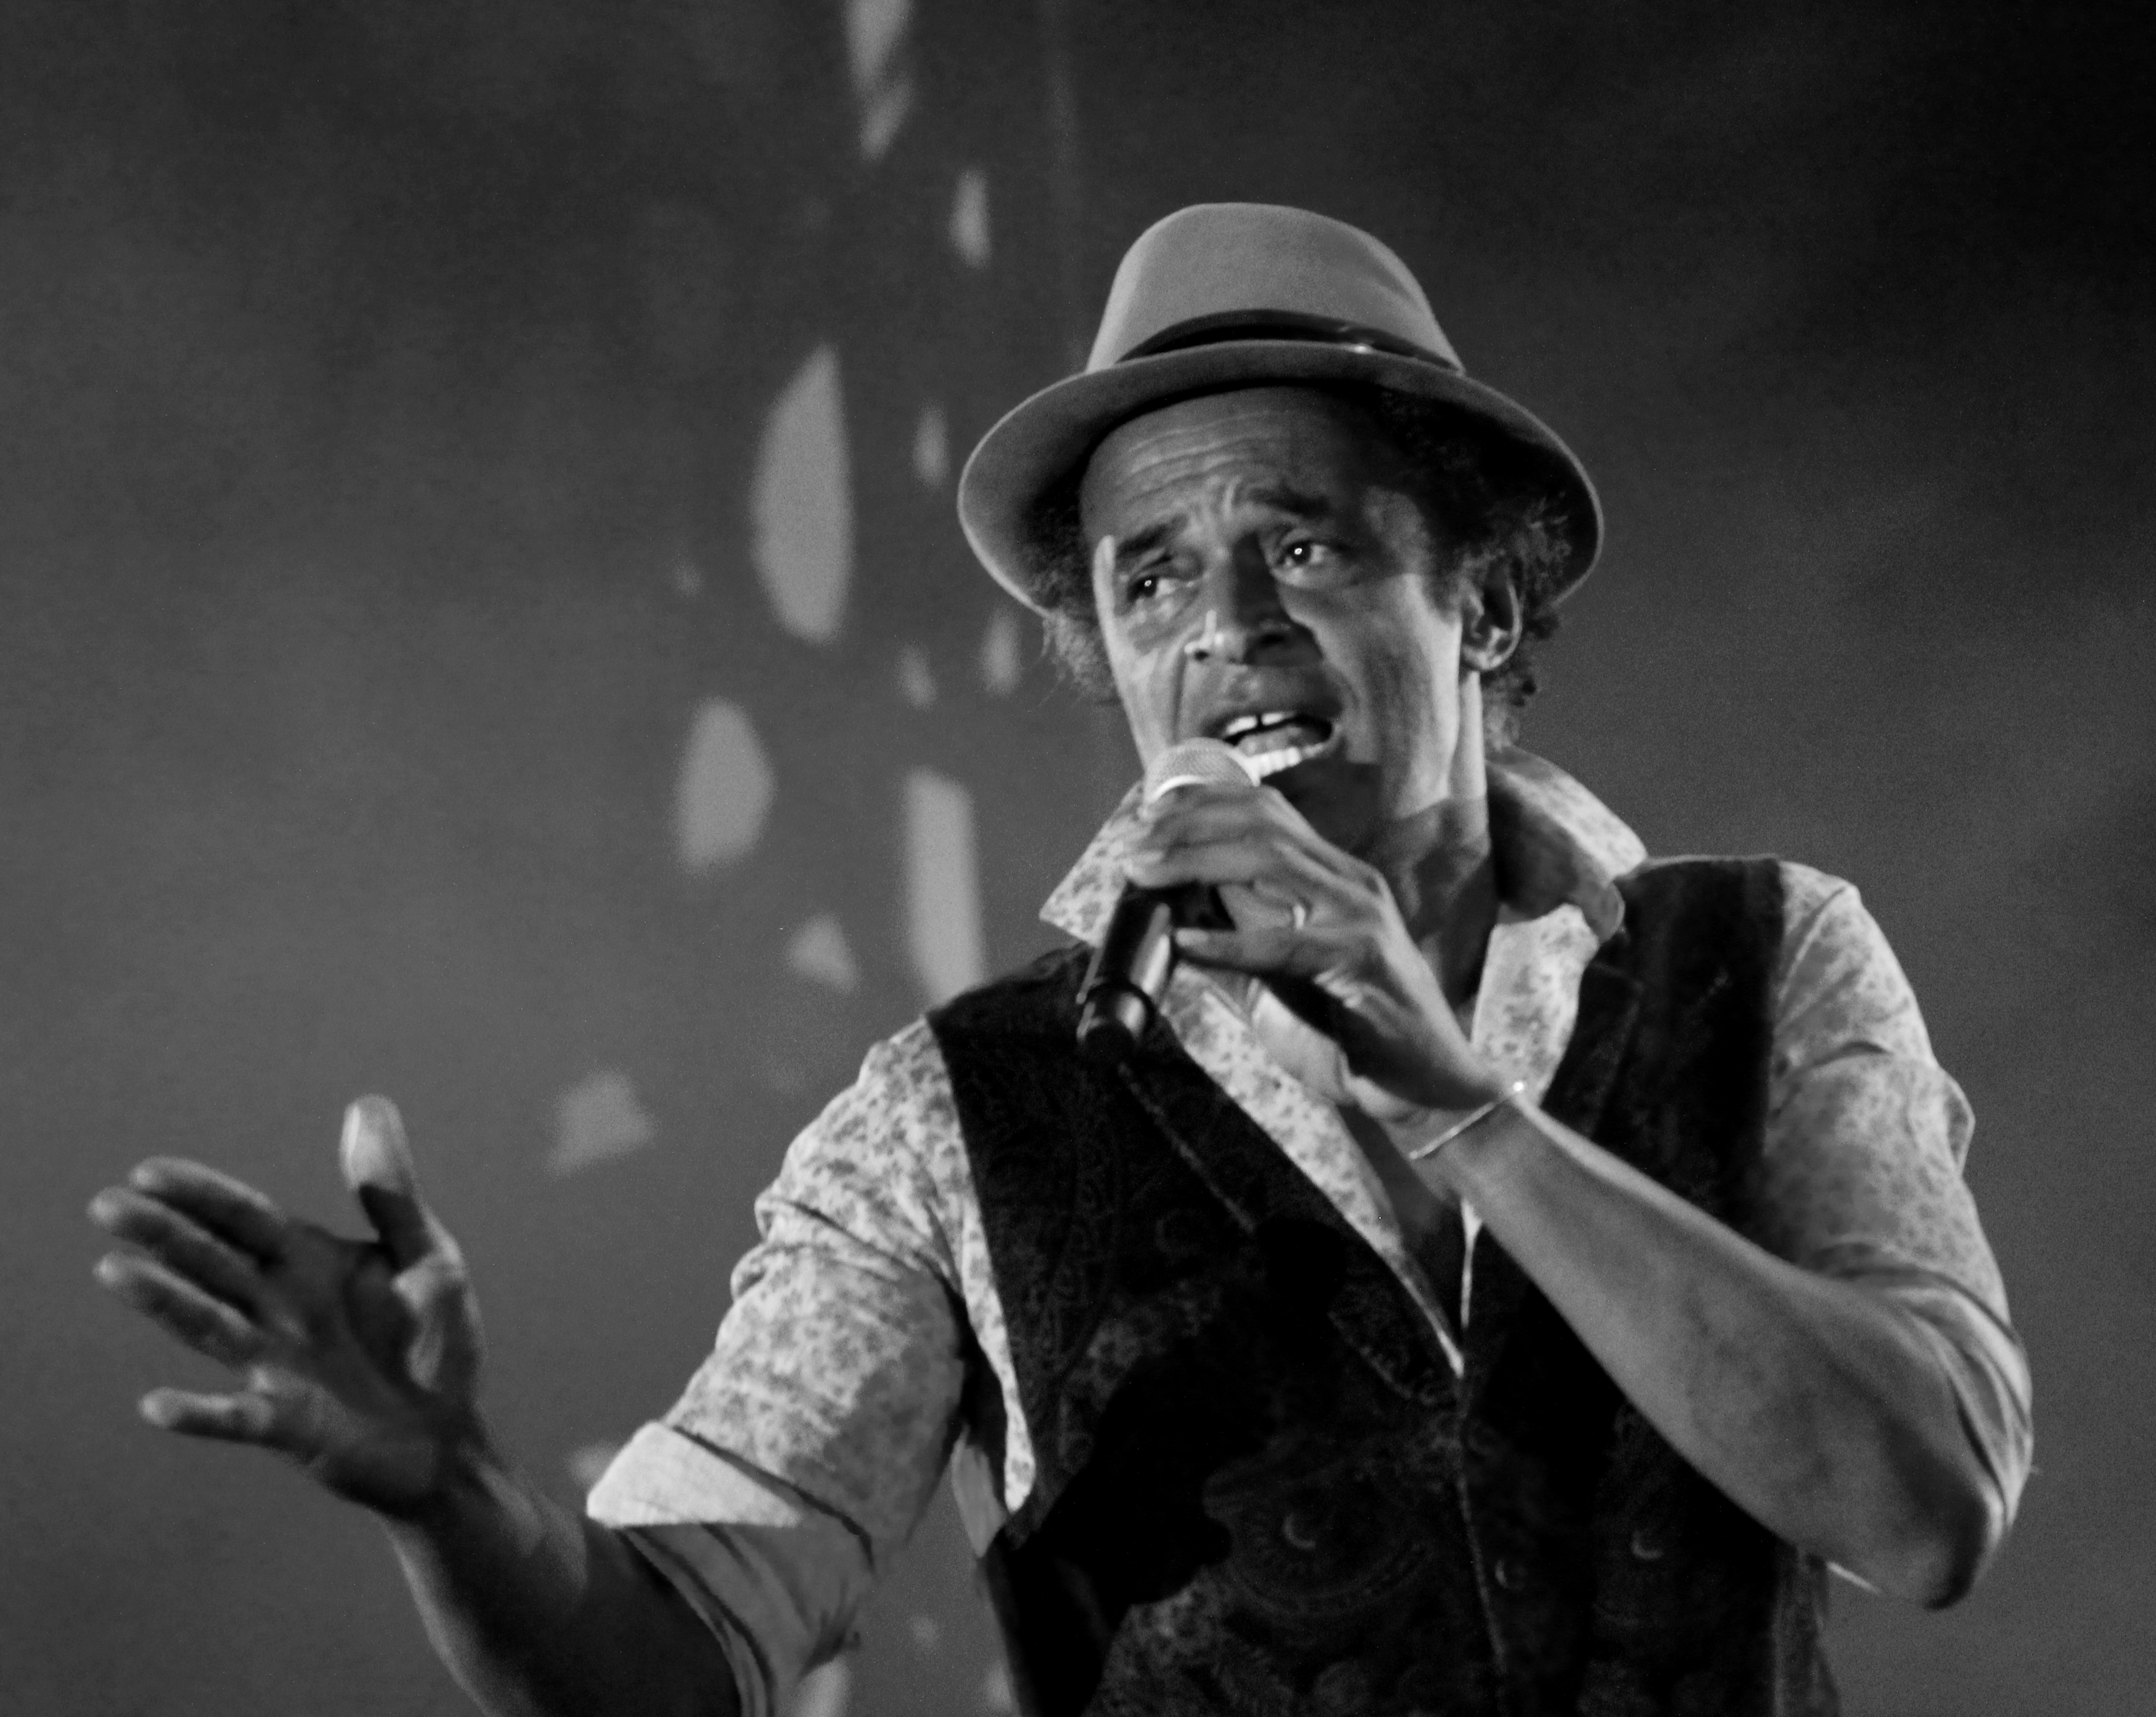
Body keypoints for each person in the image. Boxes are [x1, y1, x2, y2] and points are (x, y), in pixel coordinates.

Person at [89, 204, 2030, 1717]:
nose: (1229, 625)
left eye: (1307, 545)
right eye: (1152, 578)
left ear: (1486, 603)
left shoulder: (1762, 954)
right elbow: (684, 1657)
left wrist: (1466, 1110)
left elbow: (1927, 1504)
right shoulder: (956, 1111)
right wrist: (456, 1501)